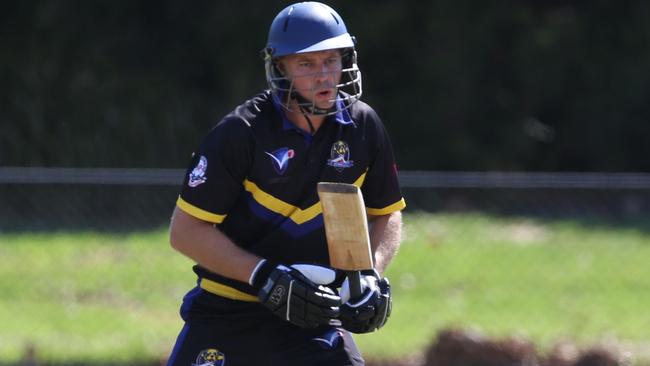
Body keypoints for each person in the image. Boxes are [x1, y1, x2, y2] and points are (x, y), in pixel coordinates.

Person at [166, 2, 405, 365]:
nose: (324, 75)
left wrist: (368, 275)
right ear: (280, 67)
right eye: (306, 64)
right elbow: (185, 232)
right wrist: (264, 276)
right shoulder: (240, 133)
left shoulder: (364, 127)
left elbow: (385, 215)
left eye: (331, 60)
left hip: (316, 317)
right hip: (228, 313)